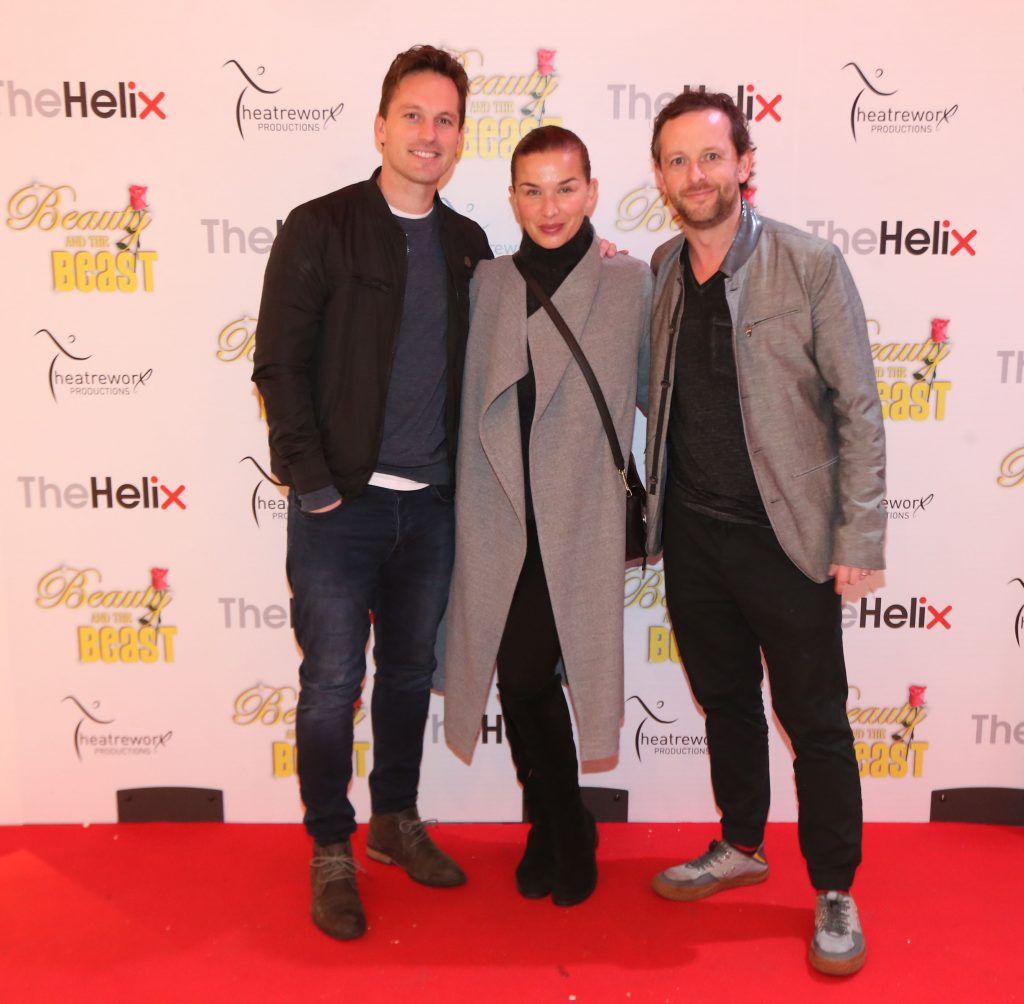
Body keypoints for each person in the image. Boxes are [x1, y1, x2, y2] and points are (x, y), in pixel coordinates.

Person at [252, 45, 493, 941]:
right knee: (330, 686)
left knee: (411, 676)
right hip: (339, 510)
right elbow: (278, 361)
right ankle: (329, 846)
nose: (429, 134)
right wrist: (313, 487)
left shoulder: (470, 247)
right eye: (414, 116)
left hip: (431, 507)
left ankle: (394, 820)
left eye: (445, 120)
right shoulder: (319, 227)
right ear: (381, 124)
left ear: (461, 136)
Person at [642, 92, 885, 975]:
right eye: (676, 161)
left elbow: (859, 407)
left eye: (710, 158)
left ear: (745, 163)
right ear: (660, 177)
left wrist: (858, 533)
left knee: (815, 718)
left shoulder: (808, 263)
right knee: (728, 704)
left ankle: (833, 886)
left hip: (791, 540)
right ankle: (740, 843)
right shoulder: (663, 268)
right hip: (695, 536)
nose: (694, 176)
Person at [443, 126, 651, 907]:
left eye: (566, 187)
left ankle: (558, 827)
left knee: (553, 677)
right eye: (531, 189)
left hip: (582, 520)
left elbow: (657, 398)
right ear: (512, 199)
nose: (550, 206)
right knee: (522, 677)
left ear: (593, 192)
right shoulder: (489, 283)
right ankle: (562, 823)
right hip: (502, 518)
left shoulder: (631, 282)